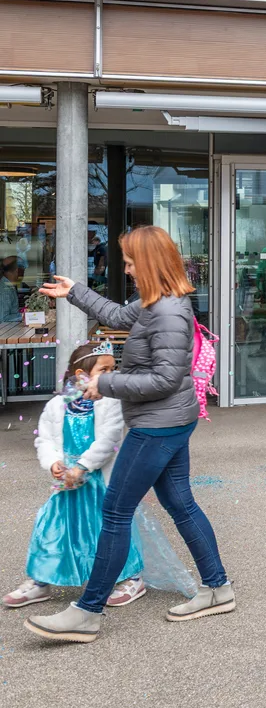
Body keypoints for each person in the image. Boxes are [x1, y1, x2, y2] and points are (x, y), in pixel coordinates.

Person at [26, 226, 233, 643]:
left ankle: (87, 611)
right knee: (181, 504)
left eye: (132, 260)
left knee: (115, 511)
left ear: (151, 263)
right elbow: (120, 316)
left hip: (159, 424)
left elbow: (164, 379)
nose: (128, 267)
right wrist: (75, 291)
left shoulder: (170, 311)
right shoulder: (155, 303)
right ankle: (218, 589)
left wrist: (106, 384)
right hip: (165, 421)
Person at [6, 344, 150, 611]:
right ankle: (41, 580)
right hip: (67, 484)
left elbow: (109, 440)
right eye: (103, 370)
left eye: (113, 369)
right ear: (82, 373)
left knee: (107, 528)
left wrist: (82, 466)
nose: (110, 375)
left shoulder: (112, 403)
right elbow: (45, 439)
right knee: (52, 528)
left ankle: (131, 578)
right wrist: (53, 463)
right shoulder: (56, 405)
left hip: (98, 482)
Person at [0, 255, 21, 322]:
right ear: (17, 270)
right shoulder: (5, 289)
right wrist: (24, 316)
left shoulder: (9, 285)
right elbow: (3, 318)